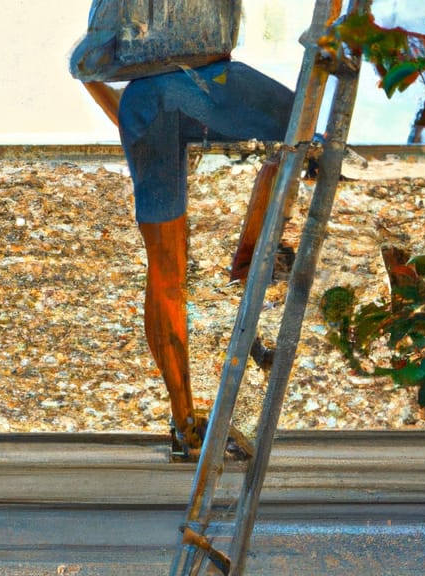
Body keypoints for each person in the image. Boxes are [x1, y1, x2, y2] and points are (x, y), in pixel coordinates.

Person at [83, 58, 295, 460]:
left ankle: (186, 423)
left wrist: (135, 128)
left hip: (148, 108)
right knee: (300, 133)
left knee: (166, 274)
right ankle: (246, 265)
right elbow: (89, 64)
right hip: (169, 103)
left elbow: (88, 64)